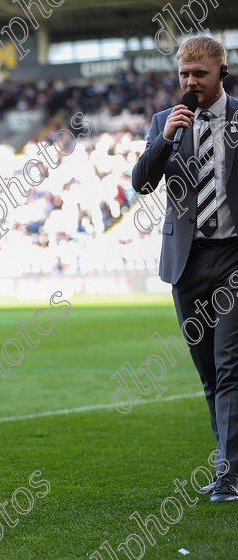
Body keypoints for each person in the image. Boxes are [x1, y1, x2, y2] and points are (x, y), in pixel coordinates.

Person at [132, 36, 238, 502]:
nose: (190, 83)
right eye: (184, 75)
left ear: (222, 71)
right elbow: (142, 183)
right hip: (187, 263)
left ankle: (229, 474)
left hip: (234, 257)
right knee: (209, 375)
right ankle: (229, 464)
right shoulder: (164, 122)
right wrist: (165, 138)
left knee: (230, 365)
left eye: (200, 73)